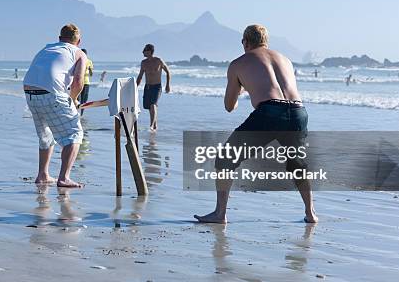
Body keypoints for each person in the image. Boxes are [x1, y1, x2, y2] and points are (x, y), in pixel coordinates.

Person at [194, 24, 317, 224]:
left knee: (226, 159)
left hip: (269, 112)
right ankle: (311, 214)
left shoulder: (238, 63)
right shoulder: (285, 59)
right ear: (265, 41)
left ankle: (219, 214)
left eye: (242, 42)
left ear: (246, 42)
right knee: (297, 164)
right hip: (298, 112)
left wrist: (241, 87)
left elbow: (229, 106)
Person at [23, 23, 87, 188]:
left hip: (30, 92)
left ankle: (43, 175)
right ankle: (64, 177)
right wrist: (73, 100)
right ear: (78, 41)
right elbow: (78, 83)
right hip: (51, 94)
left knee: (46, 135)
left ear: (59, 39)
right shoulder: (78, 53)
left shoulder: (46, 49)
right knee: (75, 134)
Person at [136, 44, 171, 131]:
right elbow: (140, 76)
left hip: (157, 87)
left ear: (149, 51)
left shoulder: (158, 61)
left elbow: (168, 72)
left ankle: (151, 126)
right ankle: (155, 125)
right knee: (148, 107)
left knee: (153, 105)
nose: (142, 52)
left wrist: (167, 85)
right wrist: (135, 87)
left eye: (144, 50)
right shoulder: (143, 63)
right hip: (147, 87)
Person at [79, 49, 94, 115]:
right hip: (79, 82)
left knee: (84, 98)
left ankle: (81, 113)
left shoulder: (89, 61)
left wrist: (90, 70)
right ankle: (78, 112)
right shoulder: (78, 61)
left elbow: (91, 74)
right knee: (79, 98)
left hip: (86, 82)